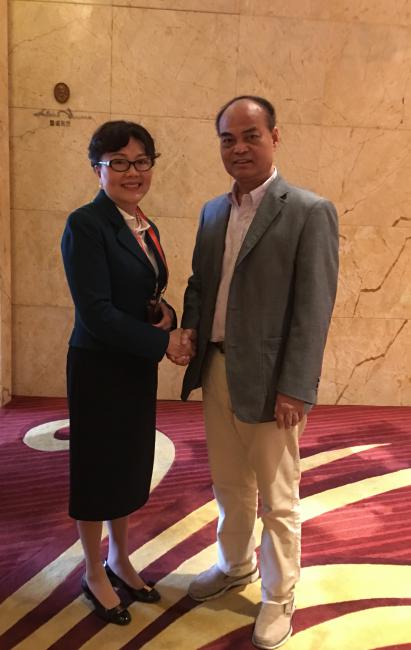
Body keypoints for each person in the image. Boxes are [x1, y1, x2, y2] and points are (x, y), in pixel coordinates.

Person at [177, 96, 339, 649]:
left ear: (275, 136)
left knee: (278, 495)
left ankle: (278, 594)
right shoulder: (212, 212)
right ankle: (235, 564)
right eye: (228, 138)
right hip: (217, 369)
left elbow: (314, 308)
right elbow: (201, 284)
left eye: (251, 135)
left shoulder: (309, 211)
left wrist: (296, 385)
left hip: (273, 383)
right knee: (229, 484)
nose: (239, 148)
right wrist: (190, 331)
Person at [61, 120, 193, 625]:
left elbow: (147, 293)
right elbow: (95, 312)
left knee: (129, 464)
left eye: (141, 161)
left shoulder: (143, 223)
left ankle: (119, 557)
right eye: (118, 162)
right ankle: (93, 571)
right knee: (98, 469)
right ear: (97, 168)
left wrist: (167, 316)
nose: (131, 172)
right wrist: (164, 343)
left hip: (134, 365)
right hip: (98, 367)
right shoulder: (86, 224)